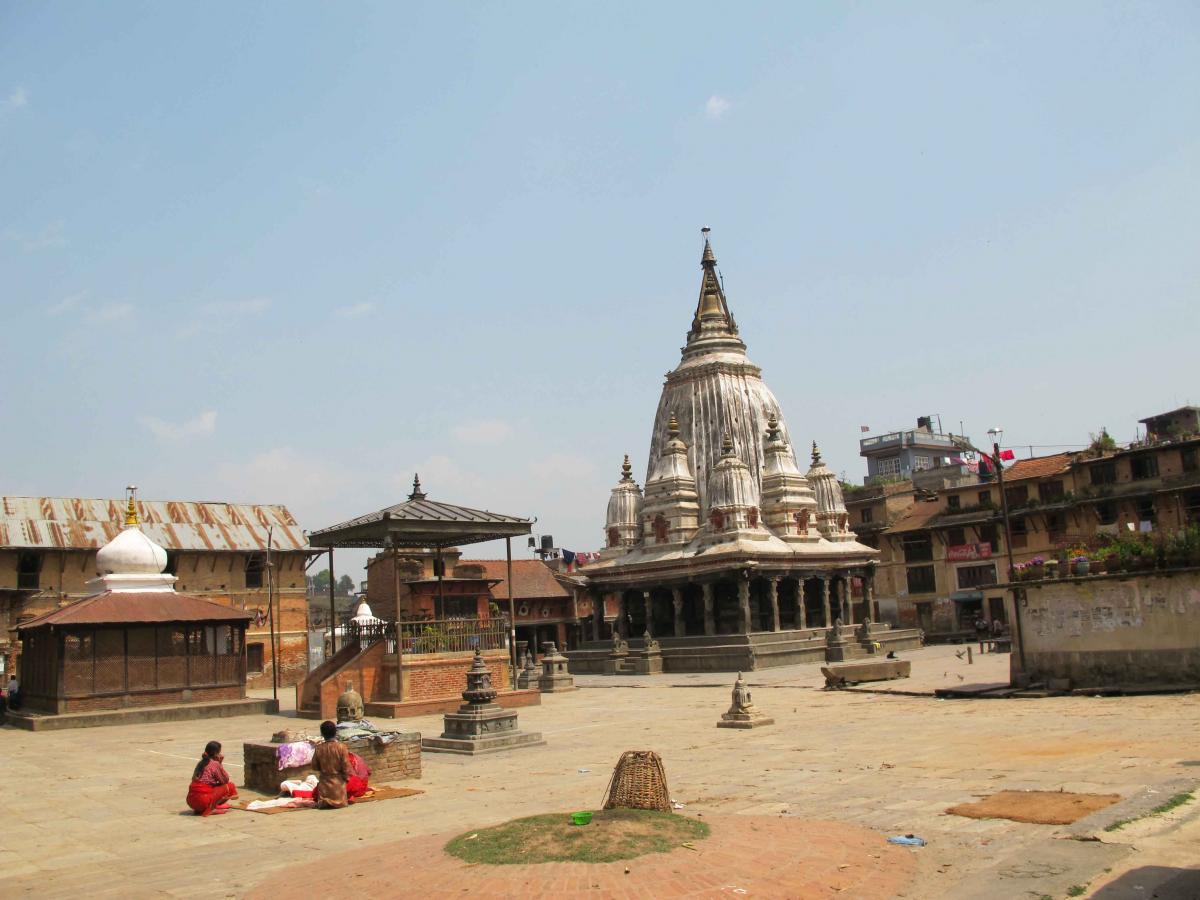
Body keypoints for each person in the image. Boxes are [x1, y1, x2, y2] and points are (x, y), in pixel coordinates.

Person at [186, 741, 238, 816]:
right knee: (230, 786)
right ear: (216, 753)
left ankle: (203, 808)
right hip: (203, 800)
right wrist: (220, 763)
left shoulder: (201, 763)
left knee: (213, 786)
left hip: (191, 801)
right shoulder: (214, 763)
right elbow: (225, 780)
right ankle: (210, 807)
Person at [312, 720, 351, 809]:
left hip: (324, 787)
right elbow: (346, 767)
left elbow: (314, 766)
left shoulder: (319, 748)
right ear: (335, 732)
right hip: (339, 787)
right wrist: (347, 779)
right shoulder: (341, 747)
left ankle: (326, 802)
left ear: (322, 734)